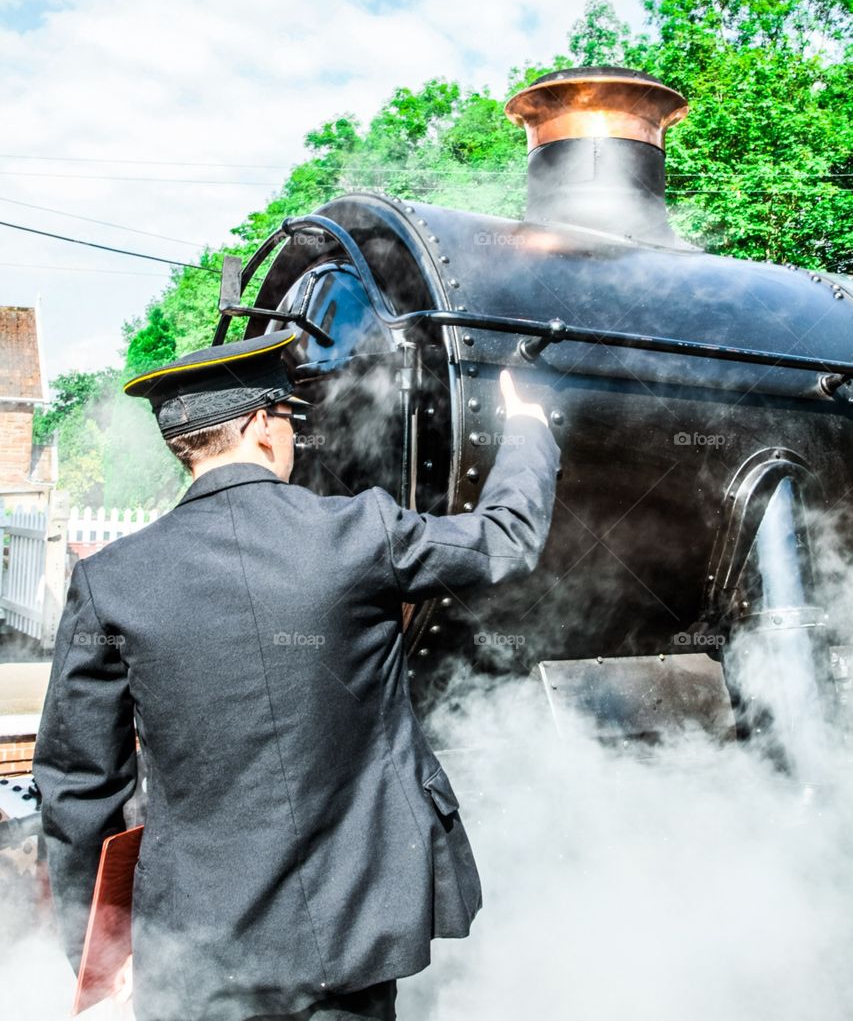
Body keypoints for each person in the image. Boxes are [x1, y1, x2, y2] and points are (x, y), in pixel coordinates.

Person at [33, 330, 560, 1021]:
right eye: (289, 419)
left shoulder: (111, 581)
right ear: (259, 424)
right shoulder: (362, 532)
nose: (294, 439)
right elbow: (505, 538)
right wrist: (525, 426)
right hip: (346, 945)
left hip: (193, 959)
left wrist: (100, 953)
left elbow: (78, 786)